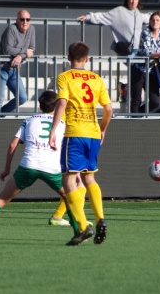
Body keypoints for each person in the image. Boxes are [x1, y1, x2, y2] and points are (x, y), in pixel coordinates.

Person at [0, 90, 78, 242]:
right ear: (57, 106)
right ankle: (79, 232)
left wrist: (6, 169)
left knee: (2, 199)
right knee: (68, 198)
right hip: (52, 168)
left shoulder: (29, 120)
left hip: (28, 166)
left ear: (39, 105)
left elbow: (12, 145)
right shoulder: (63, 124)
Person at [49, 41, 113, 246]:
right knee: (89, 179)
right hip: (93, 133)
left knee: (69, 181)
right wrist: (102, 129)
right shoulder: (96, 78)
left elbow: (61, 103)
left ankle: (83, 226)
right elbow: (109, 109)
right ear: (87, 58)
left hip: (74, 132)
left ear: (68, 58)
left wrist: (53, 130)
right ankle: (100, 218)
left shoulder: (64, 77)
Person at [77, 0, 151, 56]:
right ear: (127, 0)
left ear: (138, 1)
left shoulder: (138, 13)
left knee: (137, 70)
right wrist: (88, 17)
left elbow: (147, 17)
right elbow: (104, 16)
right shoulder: (119, 11)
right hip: (125, 49)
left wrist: (158, 15)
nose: (133, 2)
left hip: (137, 48)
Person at [0, 10, 34, 115]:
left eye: (28, 19)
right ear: (17, 20)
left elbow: (31, 50)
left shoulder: (31, 29)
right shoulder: (11, 29)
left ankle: (1, 114)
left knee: (22, 98)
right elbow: (7, 50)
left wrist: (19, 56)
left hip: (14, 69)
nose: (25, 22)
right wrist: (24, 52)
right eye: (22, 19)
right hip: (0, 68)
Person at [131, 11, 160, 113]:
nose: (155, 22)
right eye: (153, 20)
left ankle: (138, 115)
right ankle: (133, 120)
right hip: (139, 69)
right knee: (136, 99)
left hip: (152, 70)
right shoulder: (146, 32)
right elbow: (147, 52)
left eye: (157, 20)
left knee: (155, 102)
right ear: (149, 22)